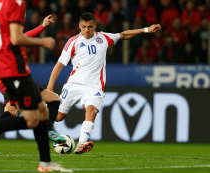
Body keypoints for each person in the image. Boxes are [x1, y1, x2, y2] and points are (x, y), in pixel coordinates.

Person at [0, 0, 72, 172]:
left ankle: (44, 157)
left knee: (49, 102)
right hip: (13, 77)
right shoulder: (13, 11)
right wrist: (42, 41)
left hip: (21, 76)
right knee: (27, 116)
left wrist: (41, 27)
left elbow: (15, 35)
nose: (22, 16)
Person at [47, 12, 161, 154]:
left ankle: (81, 144)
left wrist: (145, 30)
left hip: (94, 87)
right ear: (79, 26)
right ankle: (34, 121)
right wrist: (50, 88)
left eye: (89, 26)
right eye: (83, 27)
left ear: (95, 25)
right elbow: (59, 65)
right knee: (57, 117)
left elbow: (124, 35)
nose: (87, 30)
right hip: (73, 85)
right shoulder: (73, 42)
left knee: (91, 110)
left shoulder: (104, 38)